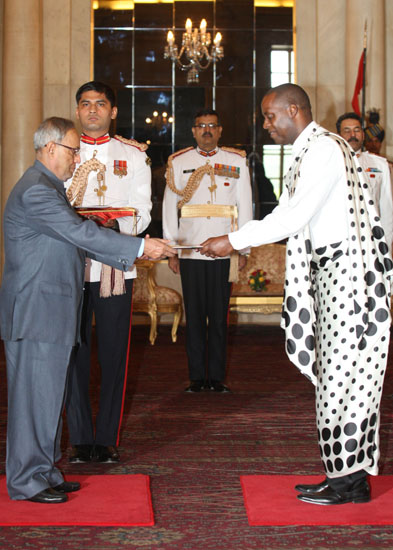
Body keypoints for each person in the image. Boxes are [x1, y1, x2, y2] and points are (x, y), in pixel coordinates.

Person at [200, 84, 393, 505]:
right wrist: (235, 238)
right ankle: (346, 477)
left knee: (345, 383)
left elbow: (295, 216)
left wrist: (232, 240)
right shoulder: (310, 151)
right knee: (337, 383)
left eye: (270, 116)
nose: (266, 124)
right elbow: (285, 212)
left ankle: (347, 483)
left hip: (349, 279)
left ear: (293, 110)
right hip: (334, 276)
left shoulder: (324, 149)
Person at [0, 117, 174, 503]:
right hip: (36, 312)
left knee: (46, 398)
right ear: (49, 149)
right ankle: (27, 480)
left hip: (50, 310)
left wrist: (136, 248)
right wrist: (141, 248)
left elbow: (79, 239)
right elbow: (79, 232)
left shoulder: (49, 188)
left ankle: (43, 472)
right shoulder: (37, 192)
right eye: (73, 150)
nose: (79, 158)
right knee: (32, 401)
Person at [64, 81, 152, 465]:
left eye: (101, 104)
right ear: (78, 110)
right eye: (85, 104)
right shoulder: (64, 152)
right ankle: (81, 438)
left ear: (113, 111)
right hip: (69, 265)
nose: (93, 110)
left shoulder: (132, 155)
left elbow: (143, 210)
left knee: (115, 354)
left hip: (114, 267)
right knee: (73, 352)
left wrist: (113, 229)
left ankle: (107, 437)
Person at [162, 108, 252, 393]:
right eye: (201, 126)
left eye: (212, 125)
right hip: (190, 249)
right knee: (195, 317)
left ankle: (217, 378)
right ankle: (196, 378)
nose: (207, 130)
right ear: (193, 131)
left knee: (219, 317)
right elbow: (168, 208)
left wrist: (243, 246)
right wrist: (172, 250)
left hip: (224, 250)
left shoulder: (236, 161)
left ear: (221, 130)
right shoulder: (179, 162)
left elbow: (245, 206)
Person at [336, 111, 393, 255]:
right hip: (340, 243)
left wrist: (386, 250)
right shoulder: (329, 164)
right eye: (346, 131)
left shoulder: (380, 165)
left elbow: (387, 210)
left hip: (371, 243)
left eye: (357, 130)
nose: (352, 135)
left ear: (362, 133)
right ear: (338, 135)